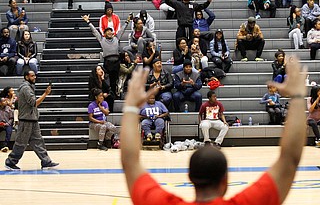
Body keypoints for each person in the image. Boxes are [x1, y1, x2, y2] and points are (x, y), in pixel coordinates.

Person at [120, 55, 307, 205]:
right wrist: (298, 96)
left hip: (215, 122)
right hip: (207, 122)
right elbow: (289, 159)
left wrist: (130, 106)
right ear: (226, 181)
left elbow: (130, 162)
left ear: (190, 178)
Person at [5, 70, 59, 170]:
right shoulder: (25, 88)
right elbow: (34, 103)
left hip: (32, 120)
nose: (34, 77)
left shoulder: (29, 87)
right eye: (32, 76)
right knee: (21, 143)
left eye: (35, 76)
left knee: (39, 142)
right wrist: (45, 94)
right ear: (26, 77)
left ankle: (46, 161)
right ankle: (10, 162)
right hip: (26, 121)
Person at [83, 14, 128, 95]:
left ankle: (115, 93)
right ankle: (107, 92)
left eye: (111, 31)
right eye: (108, 31)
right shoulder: (102, 39)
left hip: (116, 62)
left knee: (115, 79)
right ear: (105, 33)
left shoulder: (116, 38)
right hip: (107, 62)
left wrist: (127, 21)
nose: (110, 32)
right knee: (107, 78)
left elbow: (122, 30)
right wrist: (88, 22)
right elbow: (95, 31)